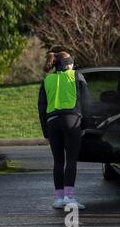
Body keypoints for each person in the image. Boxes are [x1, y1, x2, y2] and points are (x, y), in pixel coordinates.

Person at [38, 51, 90, 210]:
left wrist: (46, 132)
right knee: (71, 160)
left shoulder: (47, 80)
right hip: (71, 119)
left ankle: (59, 199)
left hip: (52, 122)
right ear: (69, 63)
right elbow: (86, 102)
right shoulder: (77, 76)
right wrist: (85, 125)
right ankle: (69, 197)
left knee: (58, 161)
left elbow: (41, 108)